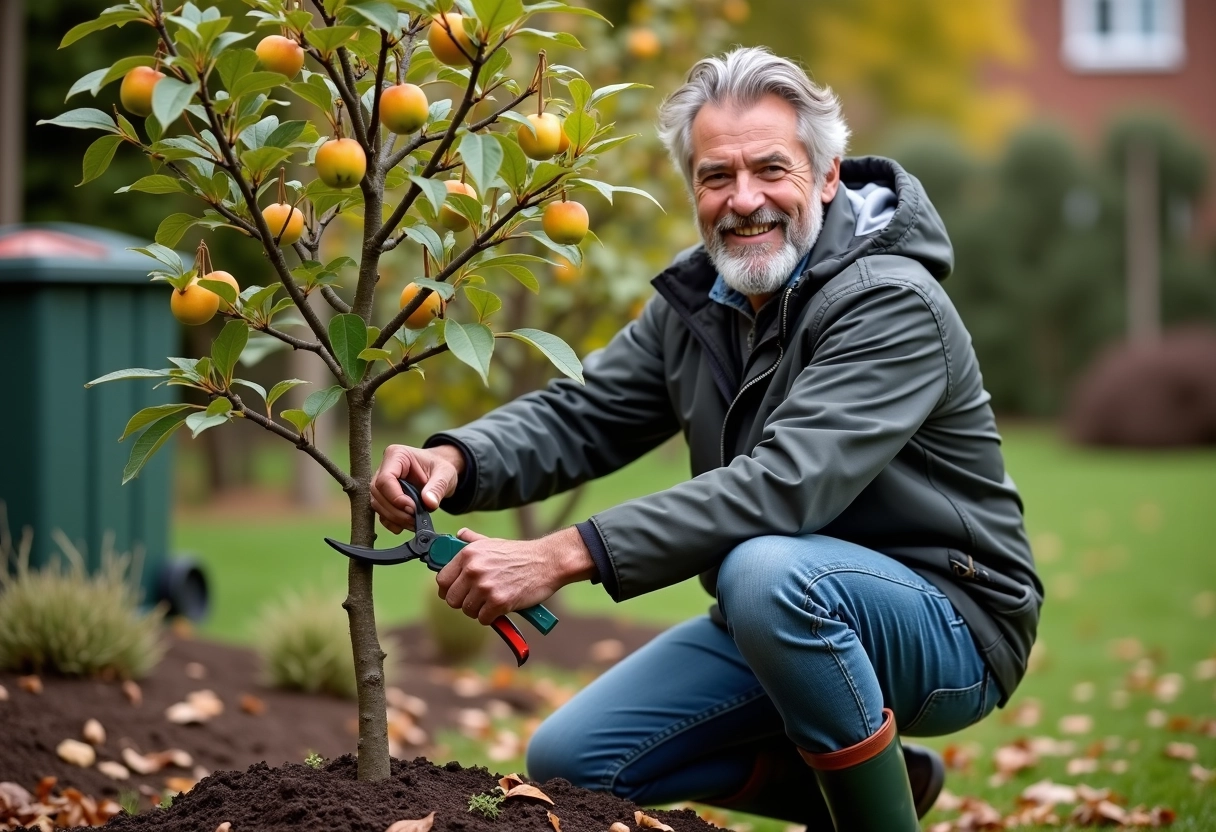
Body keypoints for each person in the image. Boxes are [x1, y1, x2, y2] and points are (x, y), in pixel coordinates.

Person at [370, 47, 1042, 832]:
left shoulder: (890, 301)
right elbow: (585, 412)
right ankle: (883, 780)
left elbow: (784, 485)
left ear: (827, 175)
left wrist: (558, 555)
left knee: (762, 571)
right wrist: (457, 458)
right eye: (716, 176)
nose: (743, 199)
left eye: (771, 169)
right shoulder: (703, 298)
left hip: (951, 621)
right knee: (575, 760)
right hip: (787, 609)